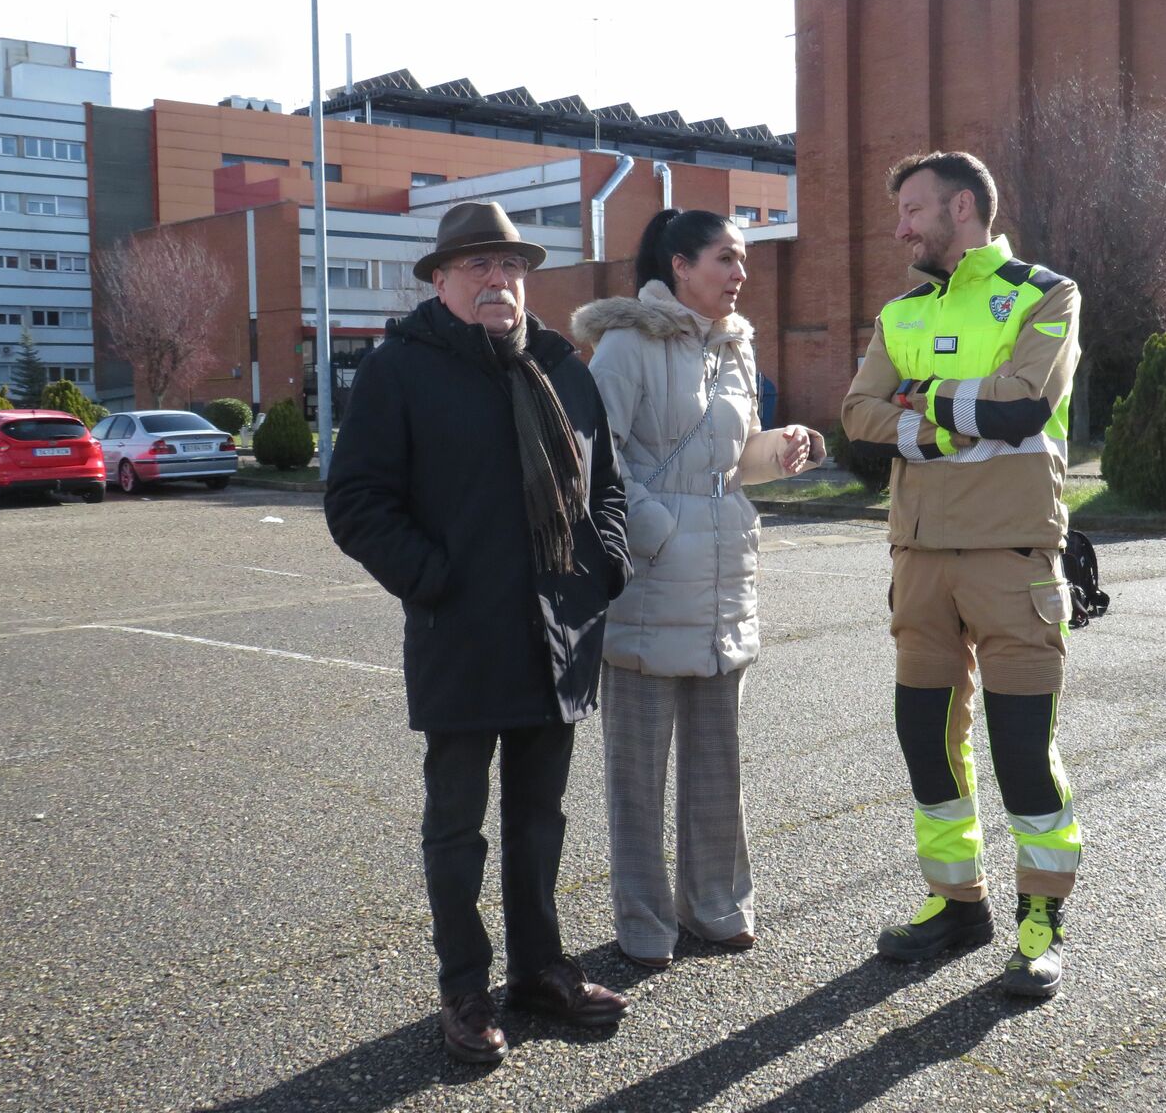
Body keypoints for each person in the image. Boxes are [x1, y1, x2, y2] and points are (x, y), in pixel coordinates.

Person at [325, 201, 633, 1064]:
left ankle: (540, 970)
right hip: (461, 632)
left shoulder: (562, 366)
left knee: (542, 819)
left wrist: (606, 563)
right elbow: (355, 502)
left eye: (511, 266)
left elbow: (605, 482)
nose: (498, 279)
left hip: (558, 631)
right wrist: (435, 579)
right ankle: (465, 988)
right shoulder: (402, 370)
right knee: (457, 827)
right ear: (440, 280)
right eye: (477, 266)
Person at [841, 151, 1083, 998]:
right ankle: (958, 905)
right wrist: (952, 423)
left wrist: (922, 397)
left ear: (965, 206)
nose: (900, 227)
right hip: (917, 562)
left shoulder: (1044, 292)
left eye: (913, 209)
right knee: (927, 745)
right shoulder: (900, 309)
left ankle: (1041, 921)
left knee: (1022, 752)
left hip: (1012, 557)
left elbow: (1025, 404)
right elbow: (859, 415)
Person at [570, 208, 825, 970]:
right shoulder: (625, 344)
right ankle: (644, 924)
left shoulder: (736, 348)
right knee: (637, 778)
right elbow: (590, 456)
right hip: (649, 584)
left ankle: (717, 907)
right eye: (725, 258)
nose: (740, 274)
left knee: (720, 765)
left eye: (741, 259)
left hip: (724, 581)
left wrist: (781, 453)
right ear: (679, 265)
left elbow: (728, 459)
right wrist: (656, 532)